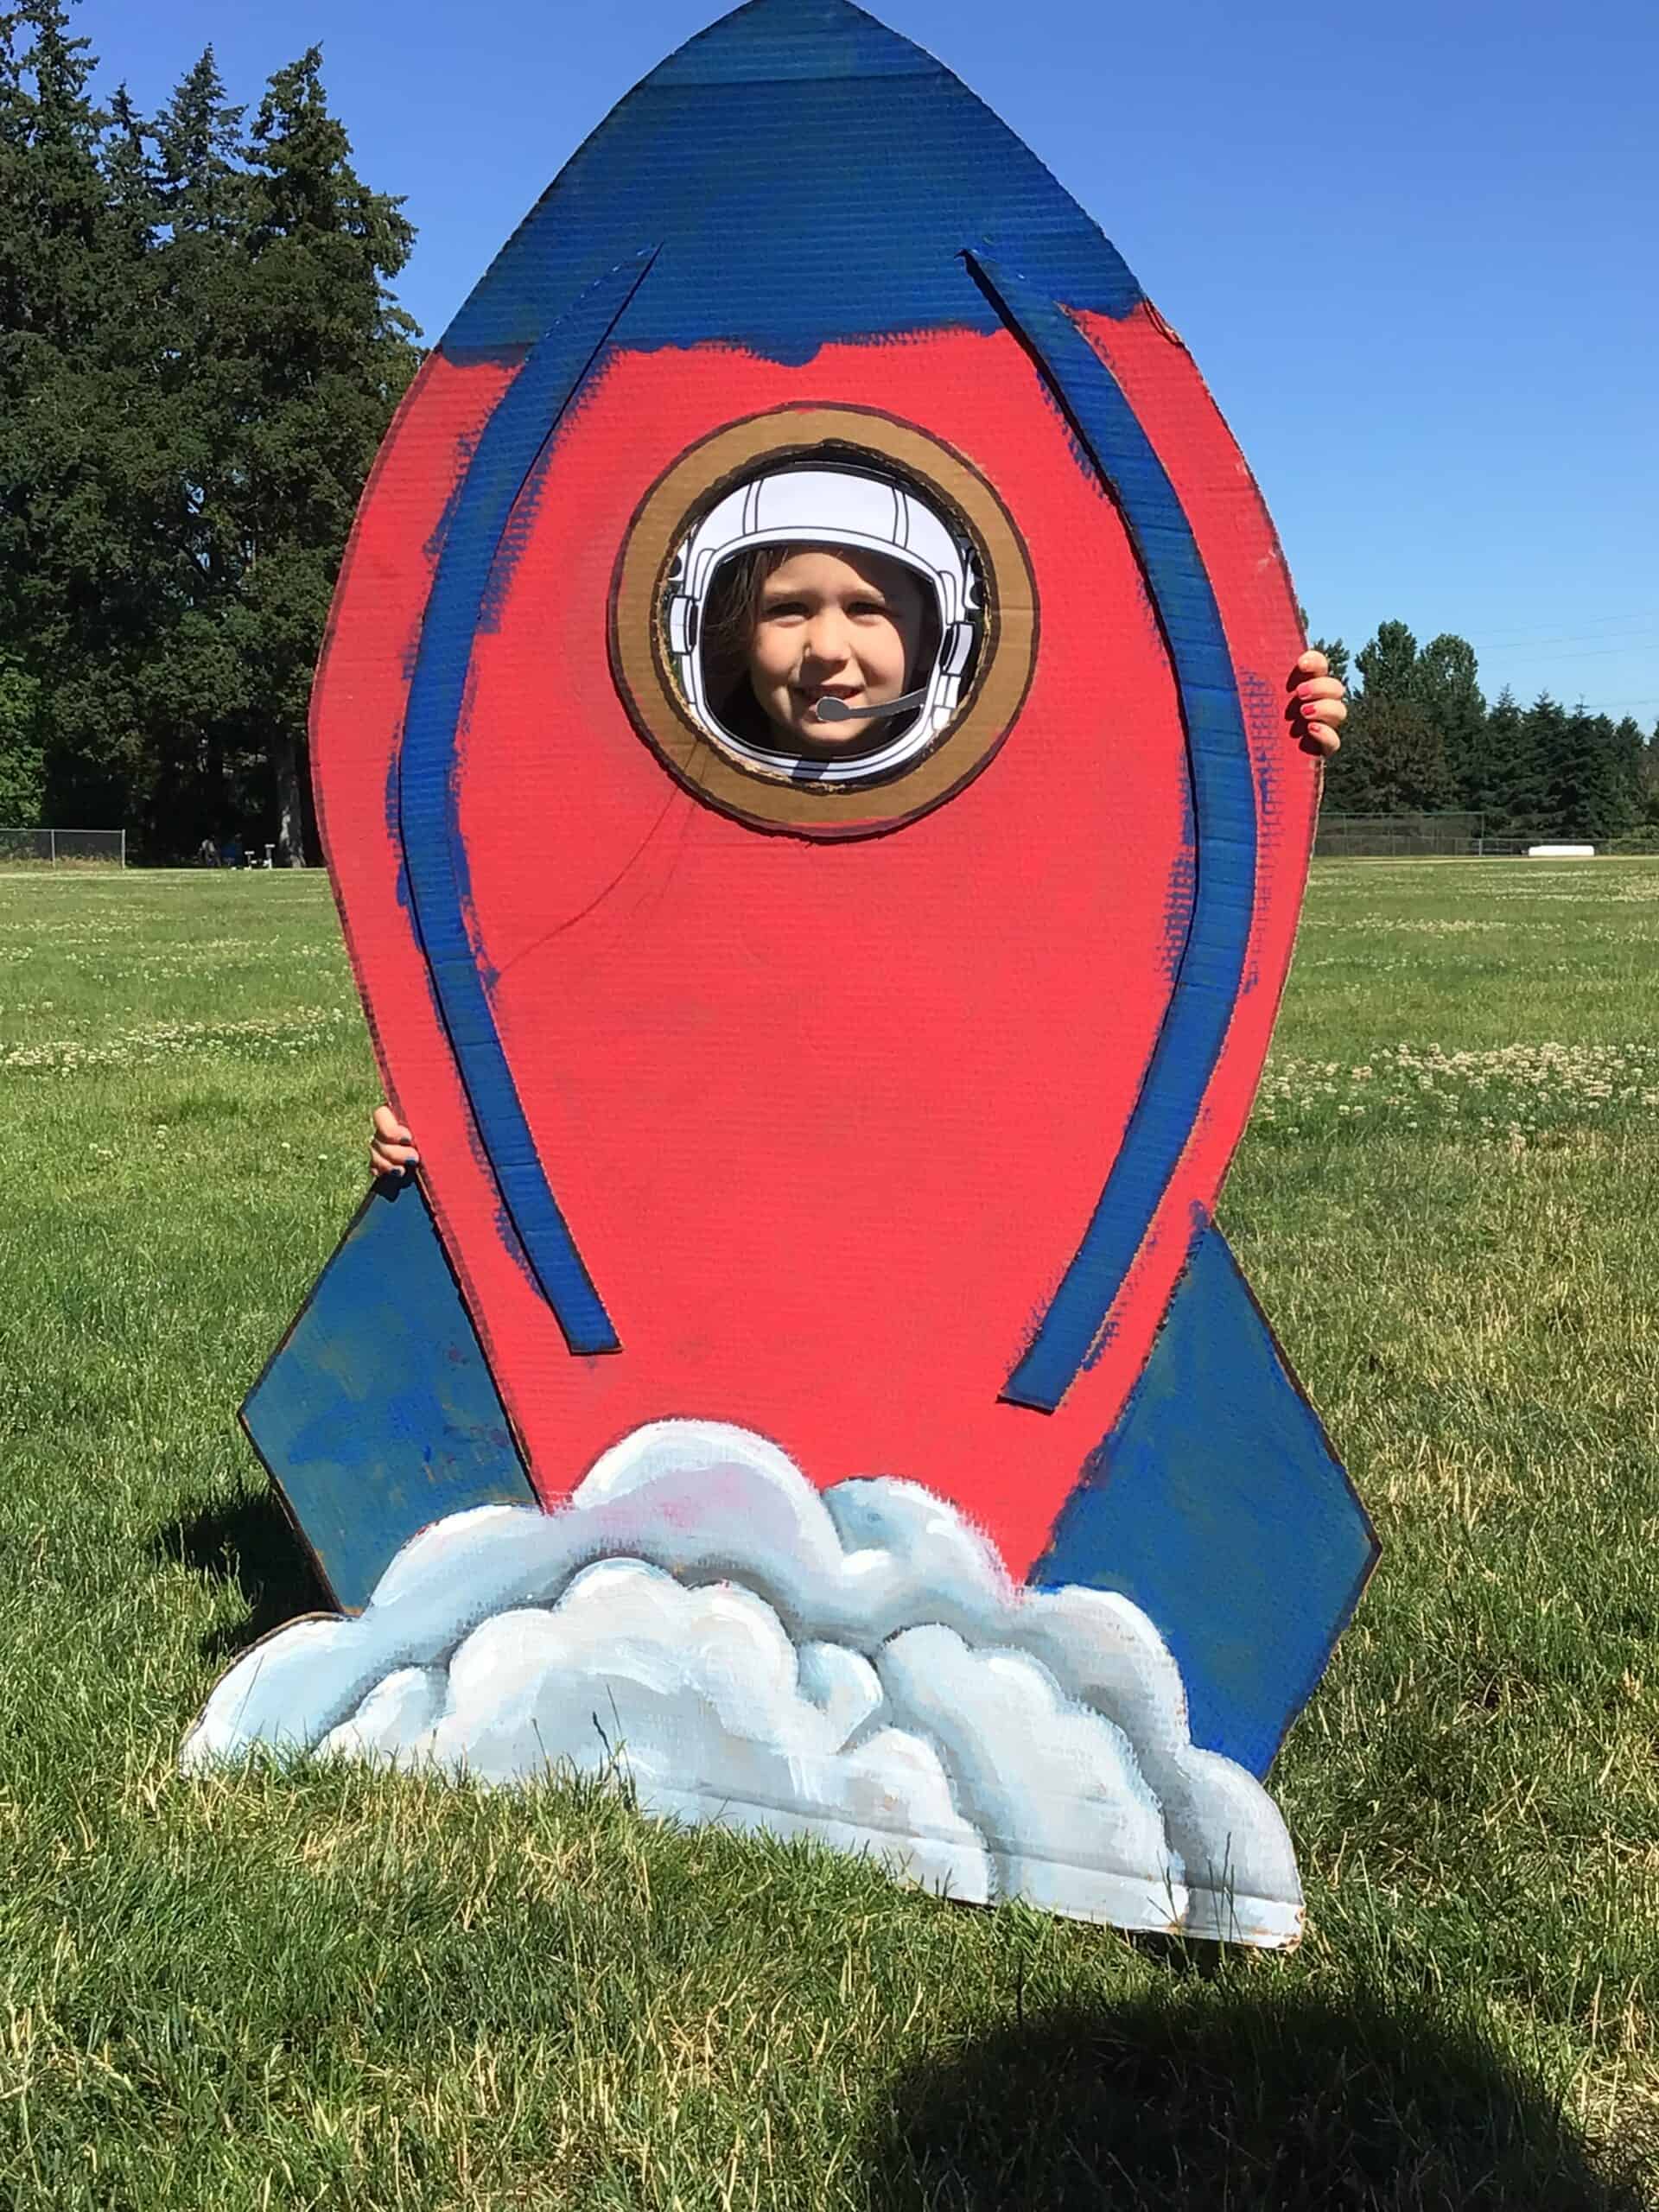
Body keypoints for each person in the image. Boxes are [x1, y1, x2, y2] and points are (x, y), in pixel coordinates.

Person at [367, 544, 1344, 1178]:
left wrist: (1279, 719)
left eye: (869, 607)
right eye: (787, 608)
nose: (826, 649)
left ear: (935, 630)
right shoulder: (647, 823)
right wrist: (432, 1135)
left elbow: (1145, 807)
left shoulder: (1014, 804)